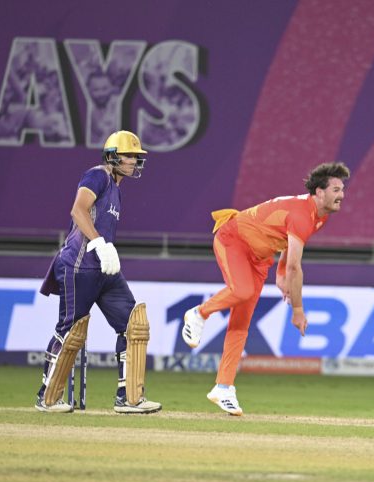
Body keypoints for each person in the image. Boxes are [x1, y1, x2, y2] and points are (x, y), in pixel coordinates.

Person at [182, 162, 351, 415]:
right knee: (242, 291)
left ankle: (223, 387)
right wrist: (297, 310)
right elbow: (295, 267)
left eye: (342, 189)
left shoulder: (319, 216)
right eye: (336, 190)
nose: (342, 195)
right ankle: (199, 313)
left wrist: (280, 273)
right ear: (319, 192)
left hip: (259, 258)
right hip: (233, 240)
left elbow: (288, 244)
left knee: (241, 322)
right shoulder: (303, 215)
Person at [35, 130, 162, 414]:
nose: (134, 161)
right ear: (112, 156)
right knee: (70, 332)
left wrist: (105, 252)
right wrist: (100, 244)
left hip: (105, 269)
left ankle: (129, 398)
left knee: (134, 326)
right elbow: (78, 210)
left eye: (136, 156)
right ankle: (47, 397)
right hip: (79, 264)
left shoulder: (116, 189)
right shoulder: (98, 175)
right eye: (129, 155)